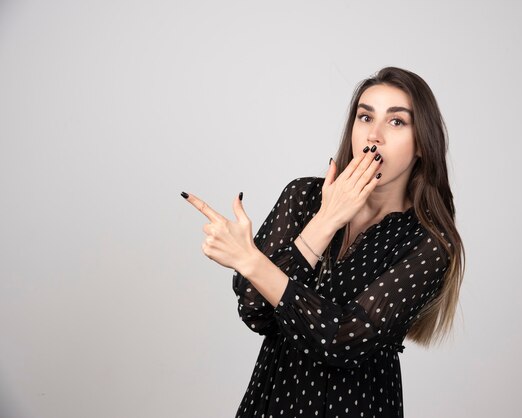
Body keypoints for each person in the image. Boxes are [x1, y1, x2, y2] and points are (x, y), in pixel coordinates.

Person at [181, 66, 465, 417]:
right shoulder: (303, 197)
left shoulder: (429, 242)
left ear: (422, 143)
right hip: (271, 402)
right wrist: (327, 218)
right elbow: (256, 311)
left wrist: (251, 262)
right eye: (365, 117)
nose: (373, 135)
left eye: (396, 122)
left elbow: (344, 340)